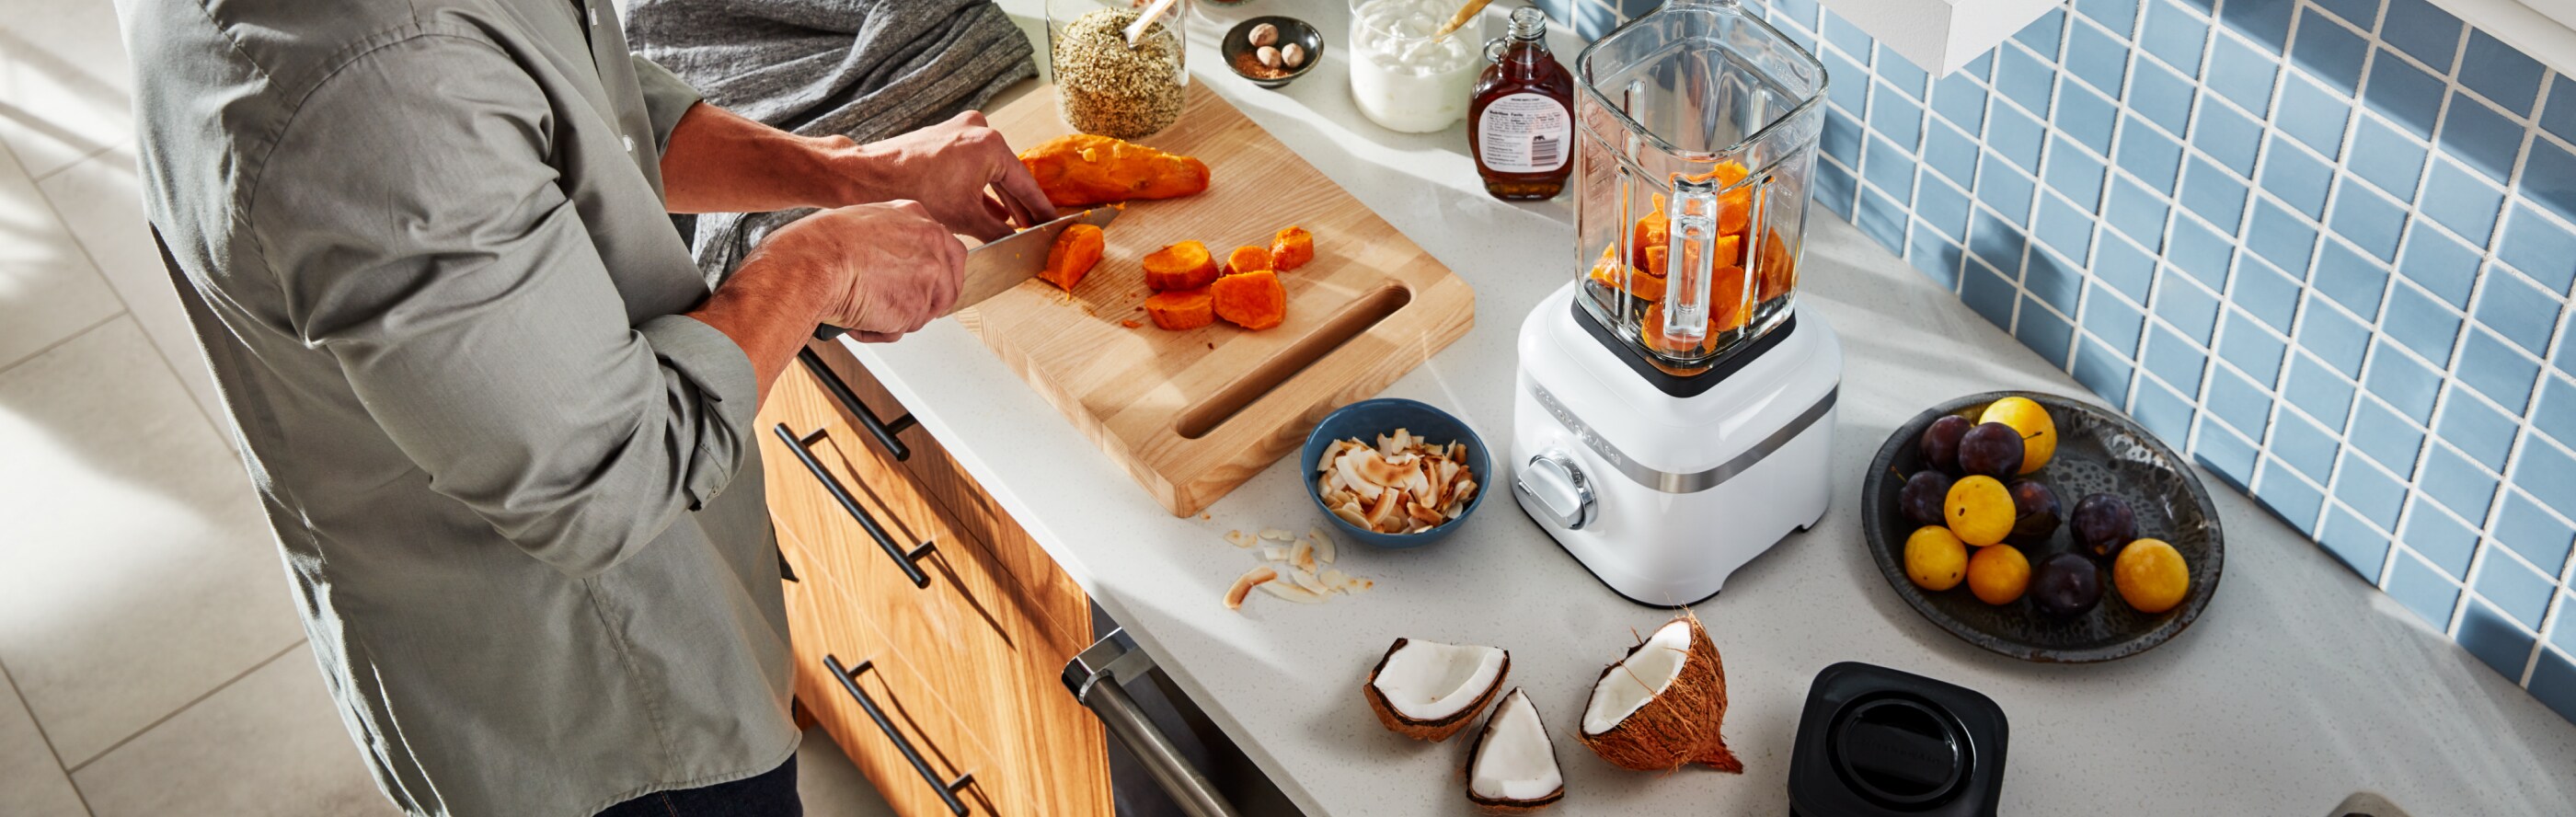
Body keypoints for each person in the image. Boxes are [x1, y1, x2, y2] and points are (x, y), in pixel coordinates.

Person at [123, 0, 1053, 814]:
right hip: (606, 726)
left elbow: (575, 110)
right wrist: (815, 266)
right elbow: (608, 478)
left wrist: (856, 172)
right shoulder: (373, 87)